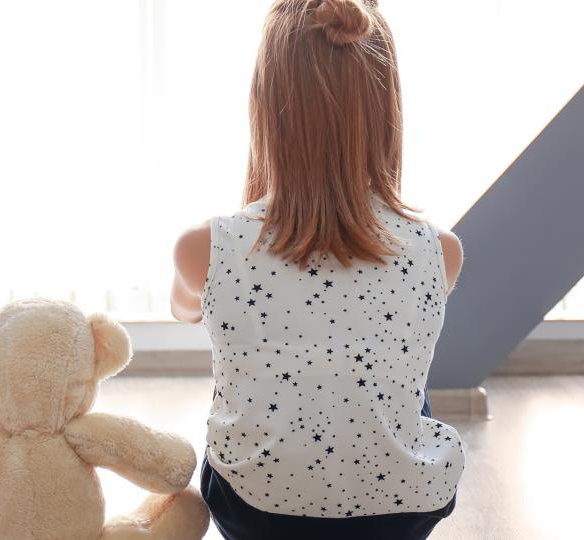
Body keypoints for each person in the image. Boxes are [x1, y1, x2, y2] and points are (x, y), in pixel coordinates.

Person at [168, 1, 466, 538]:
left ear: (264, 107)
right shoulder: (440, 250)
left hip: (258, 511)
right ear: (386, 110)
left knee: (249, 380)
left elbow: (182, 310)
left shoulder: (205, 245)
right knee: (396, 385)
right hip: (401, 510)